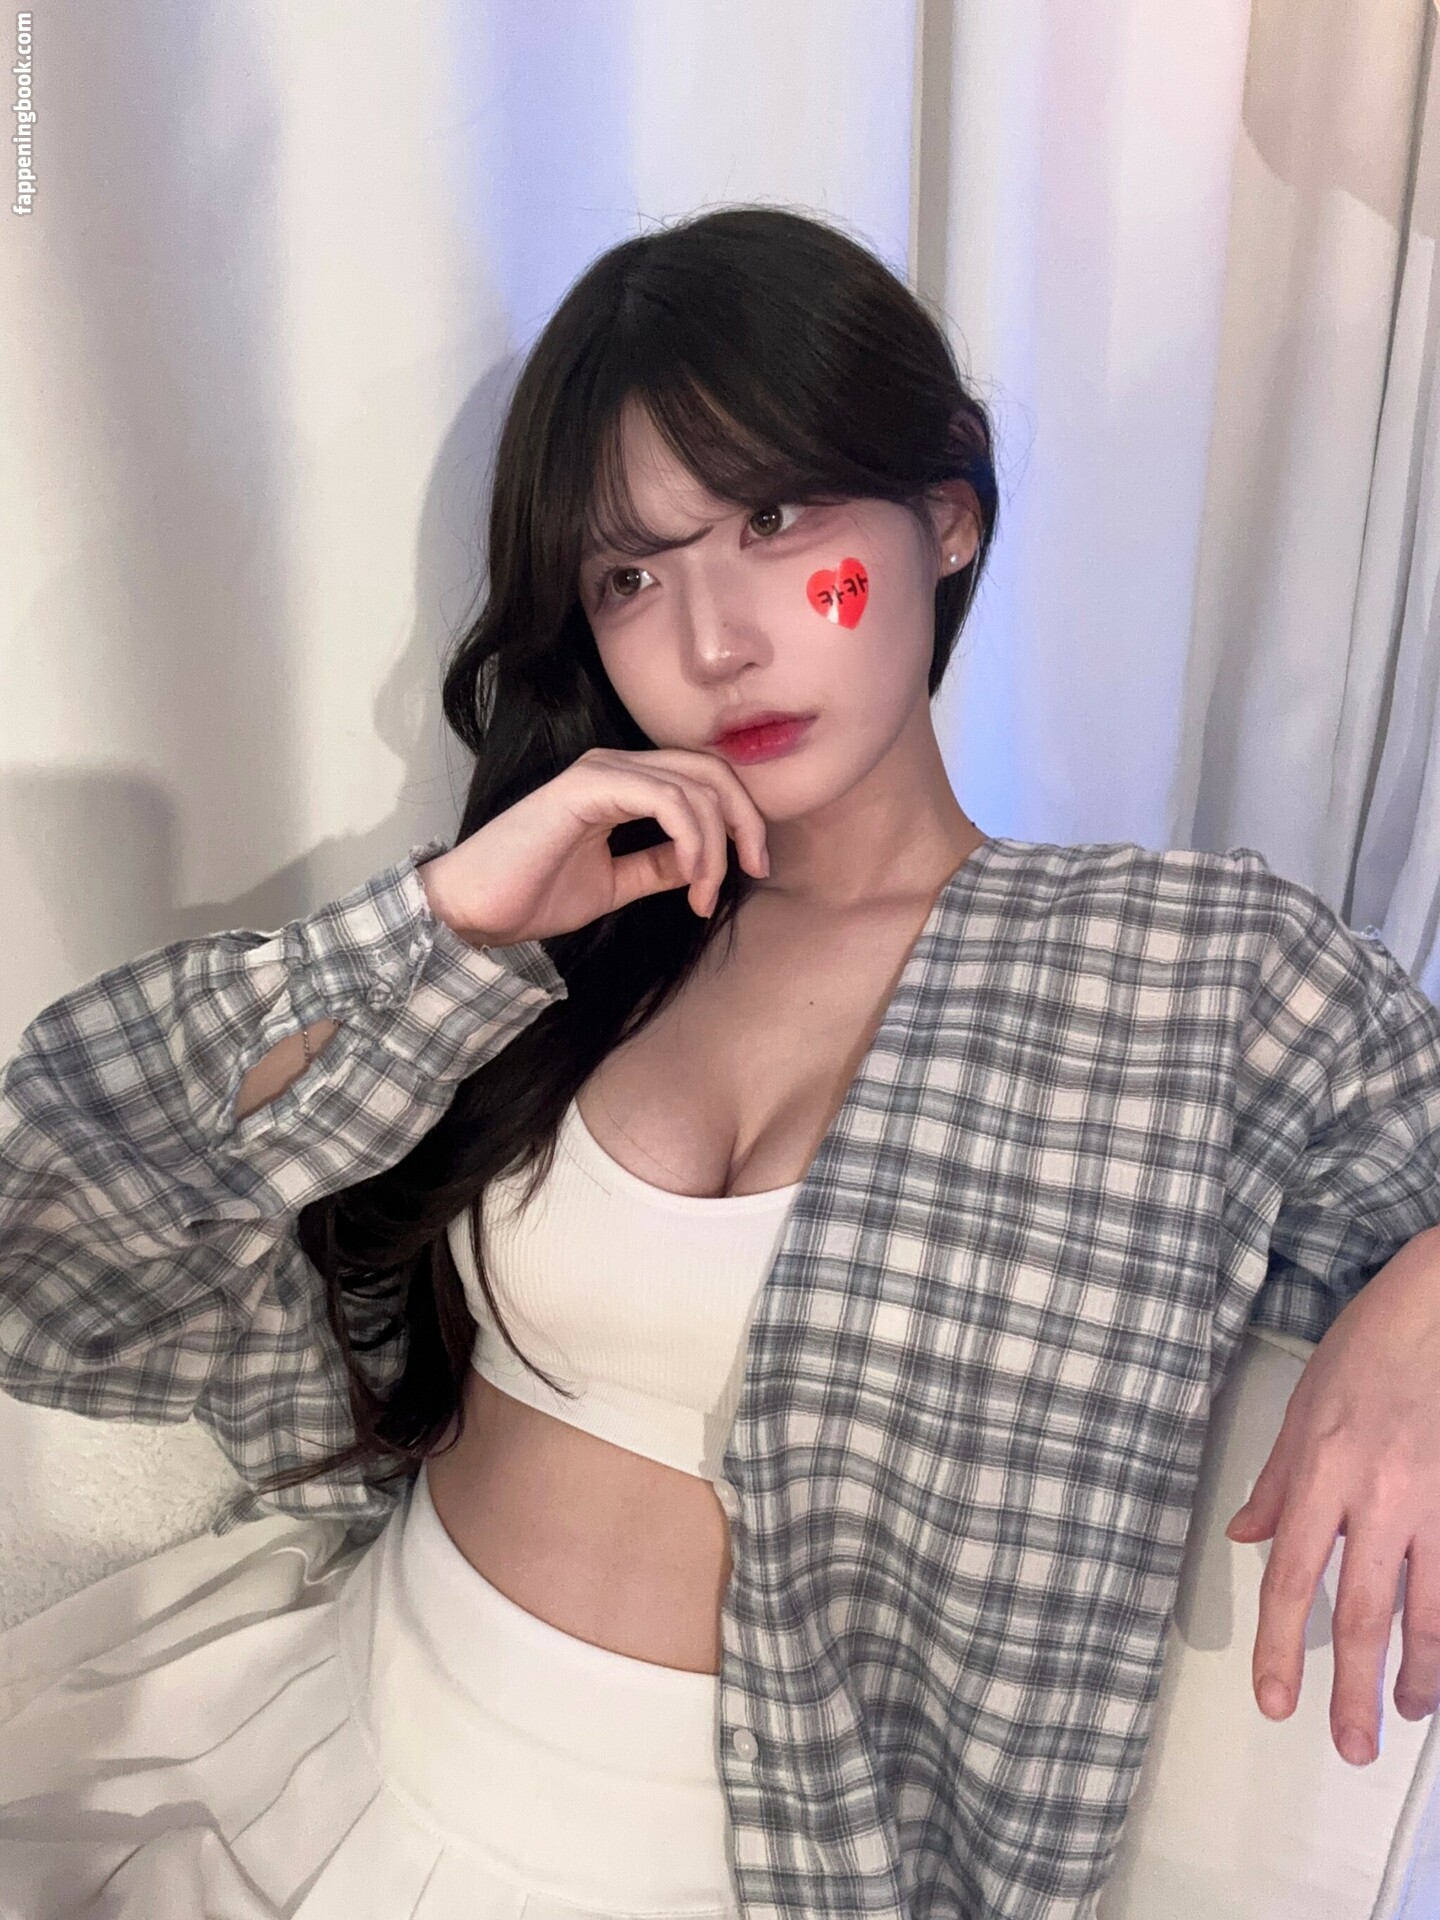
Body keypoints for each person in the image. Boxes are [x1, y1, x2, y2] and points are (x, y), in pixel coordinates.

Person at [2, 204, 1439, 1920]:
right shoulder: (583, 937)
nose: (714, 642)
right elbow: (54, 1232)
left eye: (772, 520)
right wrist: (442, 929)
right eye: (631, 576)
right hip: (341, 1749)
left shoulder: (1193, 974)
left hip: (767, 1873)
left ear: (948, 515)